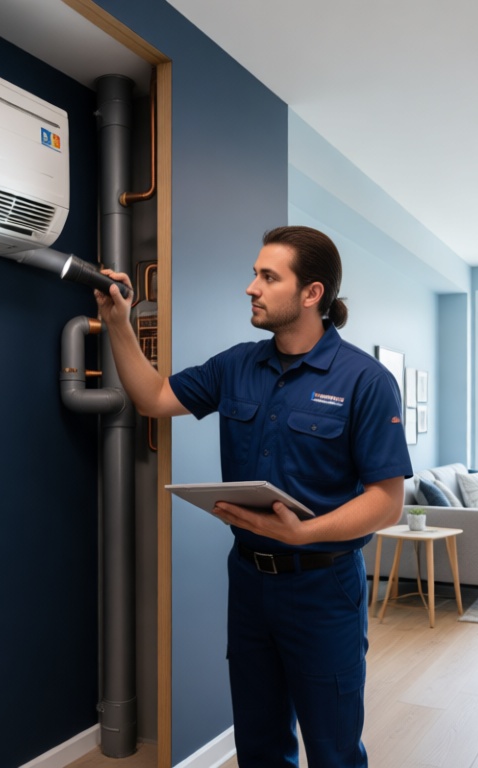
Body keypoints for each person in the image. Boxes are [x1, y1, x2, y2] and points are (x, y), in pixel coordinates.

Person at [95, 225, 412, 768]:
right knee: (260, 745)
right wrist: (120, 322)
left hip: (324, 587)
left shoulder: (366, 379)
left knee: (334, 749)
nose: (251, 287)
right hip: (248, 583)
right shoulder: (236, 365)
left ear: (312, 293)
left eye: (268, 276)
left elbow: (387, 501)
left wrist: (304, 532)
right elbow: (151, 397)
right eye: (254, 274)